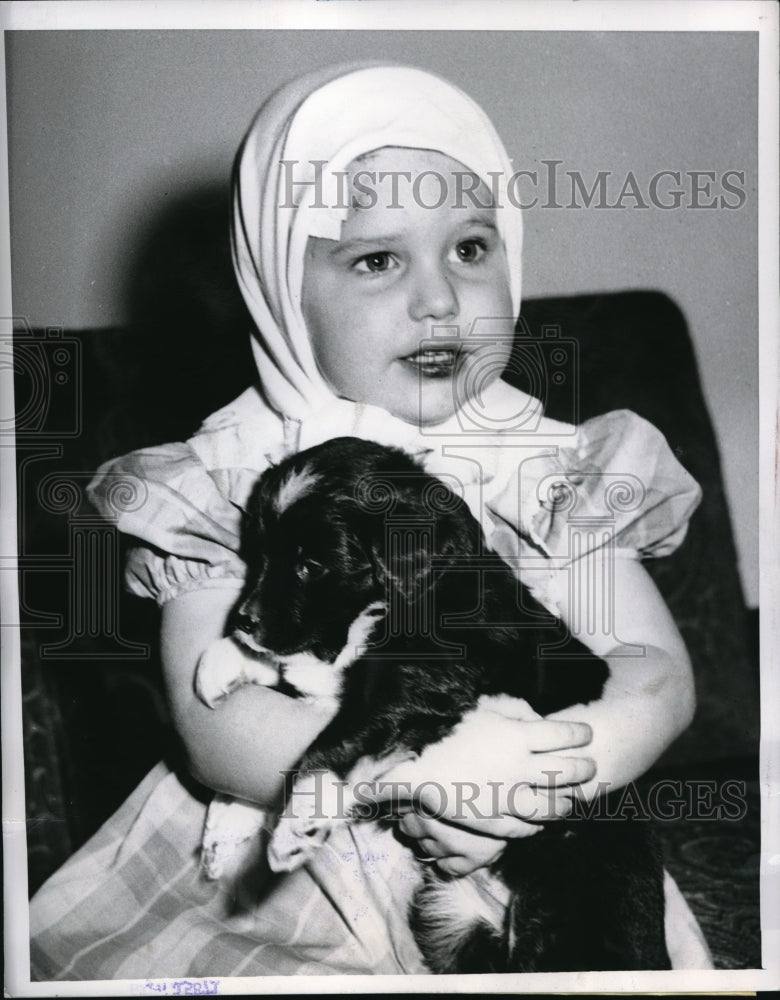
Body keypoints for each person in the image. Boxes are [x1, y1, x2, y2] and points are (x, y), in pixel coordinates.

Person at [29, 62, 714, 979]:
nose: (438, 300)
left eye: (470, 249)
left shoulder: (549, 470)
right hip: (304, 861)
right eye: (378, 259)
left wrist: (549, 776)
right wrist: (414, 773)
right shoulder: (230, 480)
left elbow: (655, 671)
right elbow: (215, 725)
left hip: (548, 851)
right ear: (281, 287)